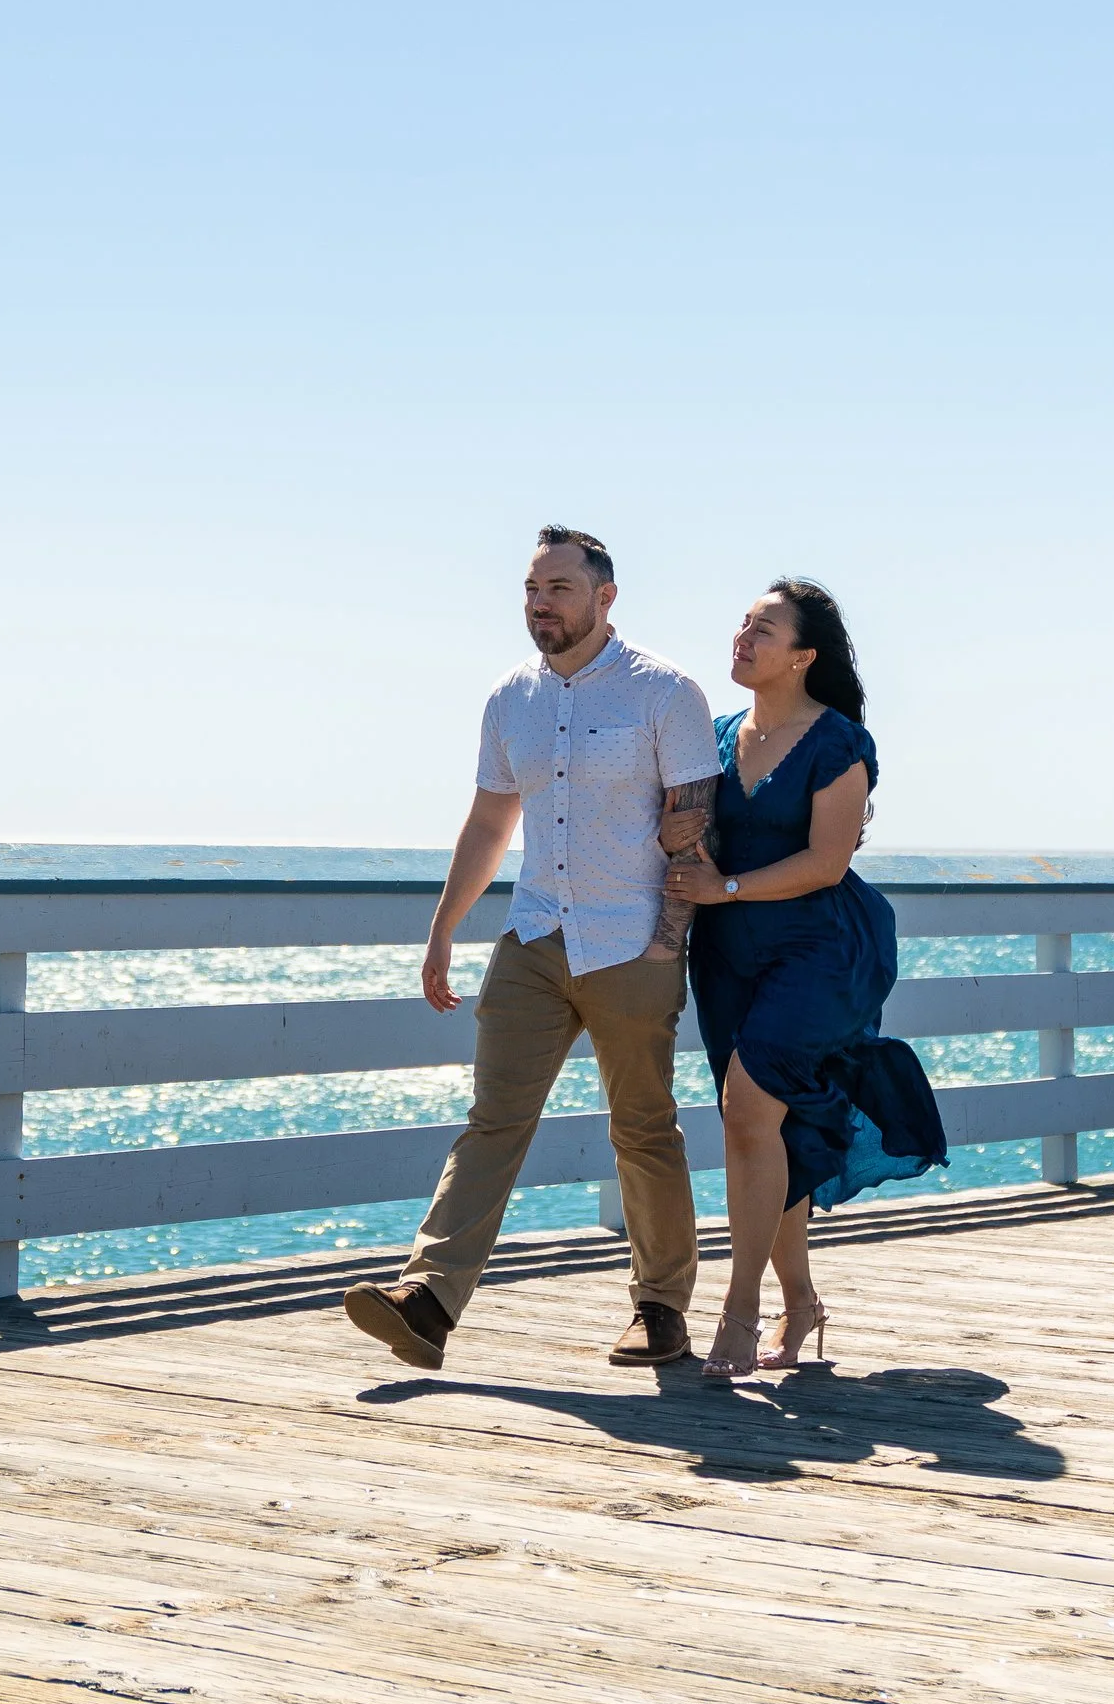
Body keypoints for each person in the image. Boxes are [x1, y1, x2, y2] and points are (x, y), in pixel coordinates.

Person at [343, 526, 719, 1373]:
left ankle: (660, 1309)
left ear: (604, 597)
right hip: (535, 935)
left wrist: (668, 946)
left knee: (644, 1129)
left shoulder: (666, 692)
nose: (539, 602)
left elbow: (694, 829)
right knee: (493, 1122)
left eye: (557, 587)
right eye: (530, 588)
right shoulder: (509, 698)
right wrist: (444, 929)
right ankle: (429, 1300)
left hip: (631, 942)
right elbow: (488, 821)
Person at [663, 579, 946, 1382]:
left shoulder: (838, 742)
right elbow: (692, 841)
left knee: (748, 1106)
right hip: (727, 954)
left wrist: (726, 889)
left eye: (763, 628)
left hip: (820, 949)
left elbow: (828, 861)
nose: (742, 637)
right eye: (742, 623)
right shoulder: (715, 737)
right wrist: (681, 837)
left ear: (803, 656)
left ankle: (739, 1310)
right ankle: (801, 1303)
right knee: (764, 1130)